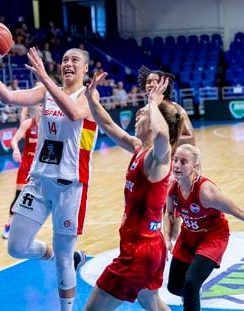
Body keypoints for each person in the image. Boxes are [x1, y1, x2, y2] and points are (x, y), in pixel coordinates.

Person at [0, 40, 99, 310]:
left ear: (85, 68)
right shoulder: (45, 91)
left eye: (75, 60)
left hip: (70, 187)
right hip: (39, 183)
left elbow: (75, 114)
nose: (68, 63)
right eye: (65, 59)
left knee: (64, 260)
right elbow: (8, 97)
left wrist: (44, 77)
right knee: (16, 248)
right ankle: (60, 255)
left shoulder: (90, 97)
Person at [84, 75, 184, 311]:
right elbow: (108, 125)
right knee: (154, 305)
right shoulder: (140, 149)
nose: (136, 116)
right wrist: (91, 100)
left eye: (142, 114)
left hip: (139, 251)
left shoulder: (158, 158)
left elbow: (162, 136)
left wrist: (153, 103)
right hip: (151, 246)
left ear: (153, 123)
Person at [163, 144, 244, 311]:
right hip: (188, 236)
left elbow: (236, 210)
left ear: (195, 166)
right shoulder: (173, 186)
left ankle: (192, 294)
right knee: (173, 287)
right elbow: (169, 214)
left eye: (184, 161)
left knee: (191, 282)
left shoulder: (206, 191)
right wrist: (166, 237)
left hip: (212, 237)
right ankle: (191, 294)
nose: (177, 165)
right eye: (175, 160)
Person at [2, 104, 42, 239]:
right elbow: (14, 139)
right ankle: (8, 225)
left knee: (37, 199)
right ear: (36, 107)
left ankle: (28, 228)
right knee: (19, 196)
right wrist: (16, 149)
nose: (43, 108)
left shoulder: (51, 126)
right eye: (40, 105)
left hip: (41, 167)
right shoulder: (28, 123)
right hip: (26, 165)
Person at [138, 66, 195, 146]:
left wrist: (160, 144)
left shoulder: (175, 109)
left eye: (156, 81)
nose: (151, 84)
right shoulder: (142, 112)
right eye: (149, 82)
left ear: (164, 85)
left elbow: (190, 139)